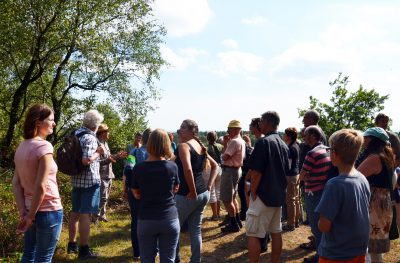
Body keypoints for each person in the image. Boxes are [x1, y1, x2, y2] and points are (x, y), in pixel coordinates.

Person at [12, 104, 63, 263]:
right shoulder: (44, 146)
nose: (54, 123)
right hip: (48, 211)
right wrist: (30, 216)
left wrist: (25, 213)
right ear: (38, 122)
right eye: (51, 120)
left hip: (29, 210)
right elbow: (41, 187)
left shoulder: (21, 146)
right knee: (43, 259)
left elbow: (15, 183)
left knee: (28, 256)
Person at [316, 129, 370, 262]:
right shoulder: (362, 178)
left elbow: (324, 226)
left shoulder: (334, 184)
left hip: (336, 253)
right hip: (359, 250)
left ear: (334, 153)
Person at [131, 129, 180, 263]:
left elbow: (136, 194)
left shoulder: (139, 168)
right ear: (167, 144)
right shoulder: (172, 167)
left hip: (146, 218)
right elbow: (176, 188)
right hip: (169, 218)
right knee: (169, 260)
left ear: (149, 143)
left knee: (146, 259)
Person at [246, 111, 289, 263]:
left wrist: (253, 192)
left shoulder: (263, 142)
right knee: (276, 231)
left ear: (268, 123)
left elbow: (256, 172)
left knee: (253, 234)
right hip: (278, 196)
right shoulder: (284, 144)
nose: (259, 124)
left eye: (261, 121)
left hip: (262, 196)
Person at [174, 119, 218, 263]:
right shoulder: (199, 145)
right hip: (202, 193)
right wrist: (209, 186)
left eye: (183, 128)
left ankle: (175, 260)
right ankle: (195, 261)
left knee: (173, 230)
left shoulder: (184, 146)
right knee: (195, 231)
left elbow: (188, 169)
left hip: (188, 195)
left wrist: (193, 191)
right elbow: (215, 166)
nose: (179, 130)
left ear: (192, 131)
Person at [67, 109, 105, 259]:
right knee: (85, 215)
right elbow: (86, 160)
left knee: (75, 213)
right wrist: (99, 151)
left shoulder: (76, 133)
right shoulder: (89, 138)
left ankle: (72, 245)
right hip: (89, 182)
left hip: (76, 180)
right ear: (96, 124)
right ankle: (84, 250)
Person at [356, 127, 395, 263]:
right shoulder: (387, 156)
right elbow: (393, 181)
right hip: (383, 202)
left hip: (374, 204)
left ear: (372, 140)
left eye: (365, 138)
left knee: (371, 247)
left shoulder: (374, 158)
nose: (363, 141)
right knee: (375, 247)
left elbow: (354, 177)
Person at [299, 125, 333, 263]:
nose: (304, 137)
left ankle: (320, 258)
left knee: (316, 227)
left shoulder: (311, 153)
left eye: (306, 134)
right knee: (324, 226)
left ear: (313, 136)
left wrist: (306, 177)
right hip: (325, 190)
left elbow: (301, 176)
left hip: (313, 193)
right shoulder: (327, 150)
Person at [124, 128, 152, 261]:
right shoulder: (158, 154)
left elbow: (128, 170)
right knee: (153, 220)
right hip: (152, 193)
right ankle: (153, 250)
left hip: (135, 192)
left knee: (136, 221)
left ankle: (137, 252)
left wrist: (132, 189)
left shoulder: (134, 152)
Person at [95, 123, 127, 223]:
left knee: (105, 197)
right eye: (107, 131)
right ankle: (94, 218)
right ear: (102, 133)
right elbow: (95, 162)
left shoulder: (105, 143)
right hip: (101, 175)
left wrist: (117, 156)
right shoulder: (97, 144)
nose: (109, 133)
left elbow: (109, 158)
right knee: (101, 198)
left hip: (108, 174)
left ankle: (102, 215)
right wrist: (109, 160)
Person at [219, 120, 246, 233]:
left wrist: (222, 152)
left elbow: (224, 157)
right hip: (235, 170)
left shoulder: (234, 142)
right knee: (233, 197)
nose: (228, 131)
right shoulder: (241, 141)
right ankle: (237, 221)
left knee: (227, 199)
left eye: (229, 129)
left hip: (229, 171)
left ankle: (234, 223)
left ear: (235, 130)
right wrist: (226, 144)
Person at [282, 127, 300, 231]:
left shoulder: (290, 148)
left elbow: (288, 165)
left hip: (290, 176)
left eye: (285, 134)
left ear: (289, 136)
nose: (283, 136)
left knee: (290, 201)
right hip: (296, 174)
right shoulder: (296, 145)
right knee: (296, 199)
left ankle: (290, 224)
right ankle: (296, 221)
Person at [206, 131, 223, 220]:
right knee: (218, 191)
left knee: (212, 192)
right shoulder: (221, 146)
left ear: (207, 138)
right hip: (220, 169)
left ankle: (215, 215)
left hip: (212, 170)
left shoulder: (207, 149)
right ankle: (218, 213)